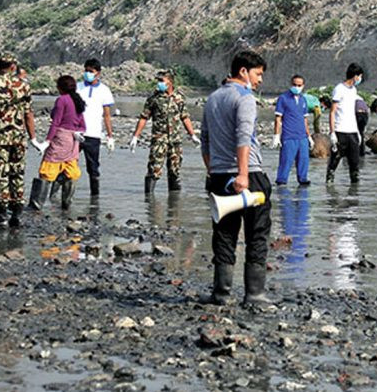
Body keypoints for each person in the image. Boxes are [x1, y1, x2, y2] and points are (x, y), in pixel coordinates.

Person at [200, 51, 273, 306]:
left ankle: (221, 293)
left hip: (219, 177)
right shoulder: (245, 97)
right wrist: (242, 173)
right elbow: (244, 136)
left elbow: (205, 141)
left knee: (223, 234)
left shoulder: (212, 98)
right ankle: (254, 294)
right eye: (258, 74)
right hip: (248, 174)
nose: (260, 80)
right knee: (257, 233)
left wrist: (214, 170)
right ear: (244, 71)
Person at [0, 54, 43, 228]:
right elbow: (29, 113)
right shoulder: (23, 86)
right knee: (17, 173)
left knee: (0, 175)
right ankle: (17, 212)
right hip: (19, 138)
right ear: (13, 66)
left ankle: (2, 214)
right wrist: (33, 138)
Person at [130, 70, 200, 194]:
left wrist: (192, 135)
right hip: (159, 139)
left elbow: (185, 117)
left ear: (170, 82)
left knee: (174, 170)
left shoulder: (179, 97)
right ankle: (149, 202)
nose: (159, 84)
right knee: (154, 170)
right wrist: (135, 136)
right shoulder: (154, 98)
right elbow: (144, 117)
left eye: (162, 81)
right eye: (158, 81)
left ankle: (173, 204)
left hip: (175, 141)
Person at [28, 76, 86, 211]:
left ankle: (37, 205)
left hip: (60, 138)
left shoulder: (62, 100)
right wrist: (78, 132)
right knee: (71, 170)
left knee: (47, 169)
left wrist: (47, 141)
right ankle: (66, 204)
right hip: (73, 141)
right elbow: (82, 124)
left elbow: (56, 123)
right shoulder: (78, 101)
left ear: (60, 88)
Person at [76, 58, 116, 198]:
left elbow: (106, 115)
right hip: (76, 133)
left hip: (93, 134)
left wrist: (110, 136)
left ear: (98, 73)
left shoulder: (104, 91)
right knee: (67, 165)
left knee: (93, 168)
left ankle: (95, 200)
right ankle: (60, 199)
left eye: (90, 71)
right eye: (86, 71)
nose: (87, 74)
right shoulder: (77, 87)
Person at [273, 75, 314, 186]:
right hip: (289, 136)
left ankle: (303, 184)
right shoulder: (283, 98)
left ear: (303, 86)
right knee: (285, 163)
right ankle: (281, 185)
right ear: (291, 84)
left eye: (299, 85)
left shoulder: (303, 100)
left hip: (302, 137)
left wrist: (309, 136)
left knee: (304, 162)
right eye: (294, 85)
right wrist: (276, 136)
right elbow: (278, 118)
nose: (297, 87)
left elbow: (305, 119)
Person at [326, 63, 364, 184]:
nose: (360, 79)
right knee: (335, 160)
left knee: (354, 163)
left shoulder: (354, 90)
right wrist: (332, 133)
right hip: (340, 130)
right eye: (360, 76)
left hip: (352, 131)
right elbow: (332, 112)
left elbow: (352, 111)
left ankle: (354, 192)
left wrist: (357, 131)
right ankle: (329, 185)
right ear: (355, 76)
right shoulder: (339, 89)